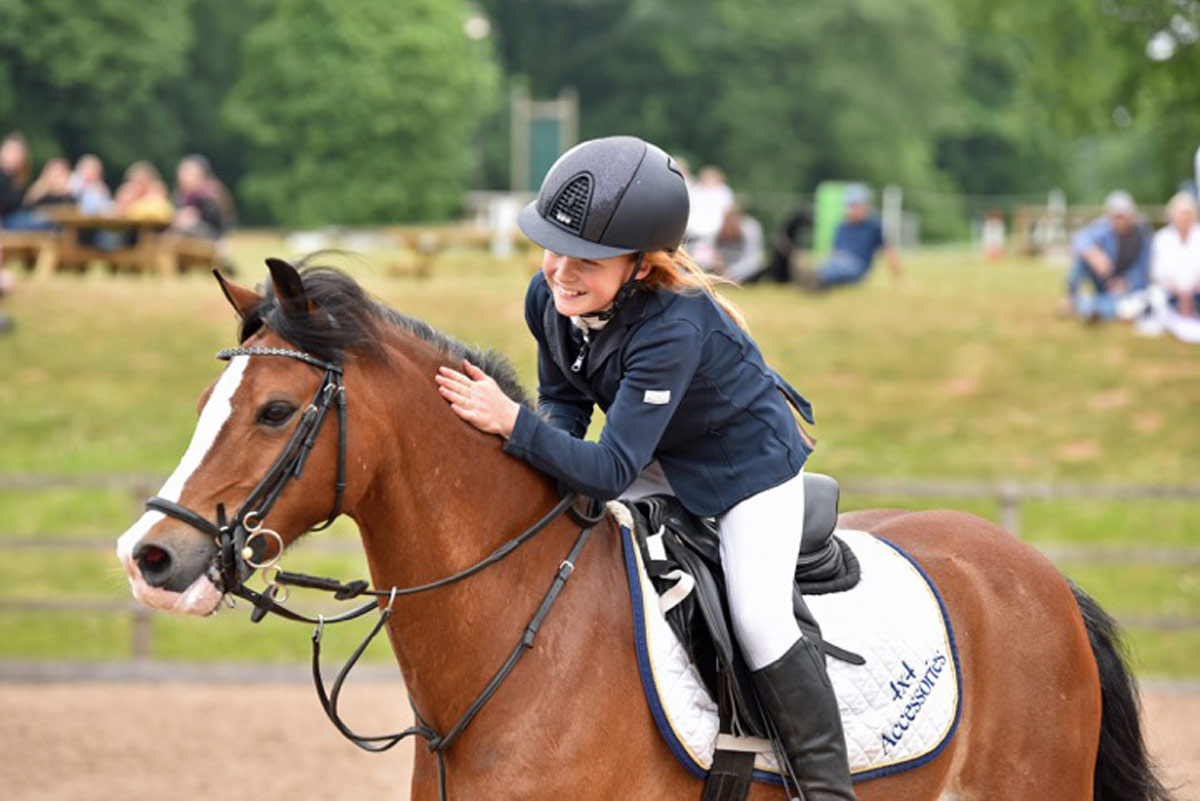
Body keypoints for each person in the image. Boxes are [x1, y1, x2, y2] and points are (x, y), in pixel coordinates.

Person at [434, 136, 856, 800]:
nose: (562, 271)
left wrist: (512, 425)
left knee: (758, 617)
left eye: (588, 261)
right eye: (554, 249)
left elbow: (605, 471)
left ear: (640, 265)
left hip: (744, 475)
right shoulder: (547, 298)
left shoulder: (673, 326)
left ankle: (831, 788)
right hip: (654, 456)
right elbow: (567, 403)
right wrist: (538, 458)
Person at [1064, 190, 1151, 321]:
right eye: (1115, 216)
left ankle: (1089, 307)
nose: (1118, 221)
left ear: (1131, 215)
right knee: (1081, 262)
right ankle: (1072, 299)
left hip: (1123, 287)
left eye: (1122, 216)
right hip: (1103, 279)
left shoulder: (1141, 235)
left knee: (1119, 303)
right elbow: (1079, 239)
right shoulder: (1104, 227)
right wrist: (1094, 254)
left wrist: (1126, 282)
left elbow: (1142, 268)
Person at [798, 184, 901, 291]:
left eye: (854, 205)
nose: (850, 209)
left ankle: (816, 280)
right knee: (826, 265)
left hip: (858, 266)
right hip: (837, 261)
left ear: (865, 206)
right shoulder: (841, 226)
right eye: (848, 205)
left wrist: (898, 279)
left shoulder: (874, 226)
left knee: (838, 269)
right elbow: (834, 252)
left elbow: (889, 250)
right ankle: (814, 280)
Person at [1149, 192, 1200, 319]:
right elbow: (1158, 272)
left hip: (1197, 292)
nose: (1184, 217)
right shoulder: (1162, 238)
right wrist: (1181, 294)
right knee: (1156, 297)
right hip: (1172, 293)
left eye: (1187, 213)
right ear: (1172, 215)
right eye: (1180, 213)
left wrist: (1191, 292)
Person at [711, 204, 766, 283]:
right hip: (722, 270)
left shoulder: (750, 229)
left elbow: (753, 259)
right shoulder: (717, 229)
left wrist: (732, 272)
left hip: (745, 271)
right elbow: (712, 253)